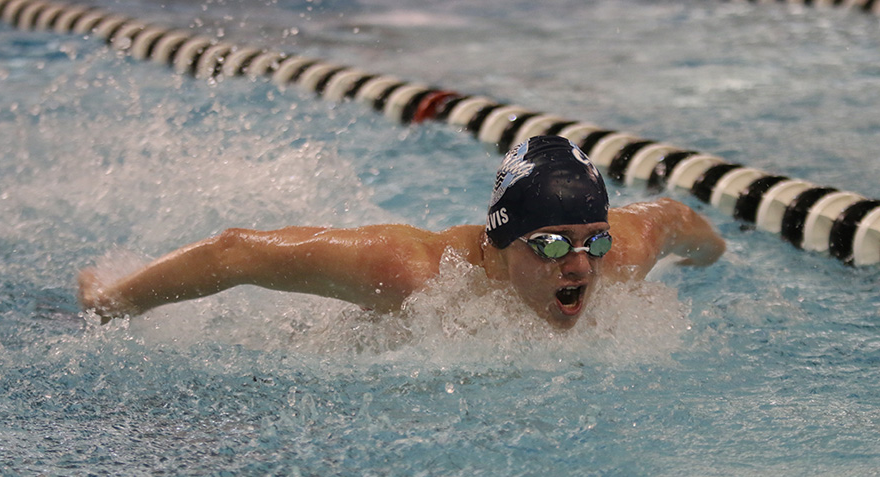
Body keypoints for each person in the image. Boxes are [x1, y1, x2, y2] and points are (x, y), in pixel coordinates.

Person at [78, 136, 725, 330]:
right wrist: (115, 300)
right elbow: (237, 251)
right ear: (500, 245)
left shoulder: (619, 257)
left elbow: (671, 218)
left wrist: (716, 258)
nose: (580, 267)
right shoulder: (415, 271)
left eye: (594, 241)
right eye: (553, 244)